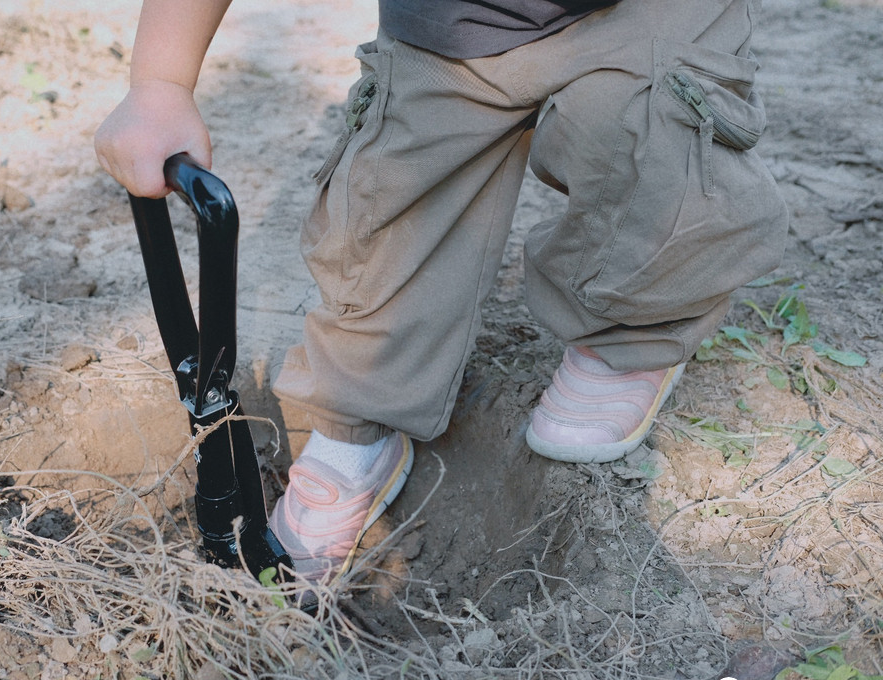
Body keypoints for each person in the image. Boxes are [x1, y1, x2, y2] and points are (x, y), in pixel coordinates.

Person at [95, 0, 788, 580]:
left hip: (646, 14)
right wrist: (161, 81)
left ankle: (633, 330)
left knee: (649, 146)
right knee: (381, 214)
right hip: (447, 21)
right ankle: (361, 416)